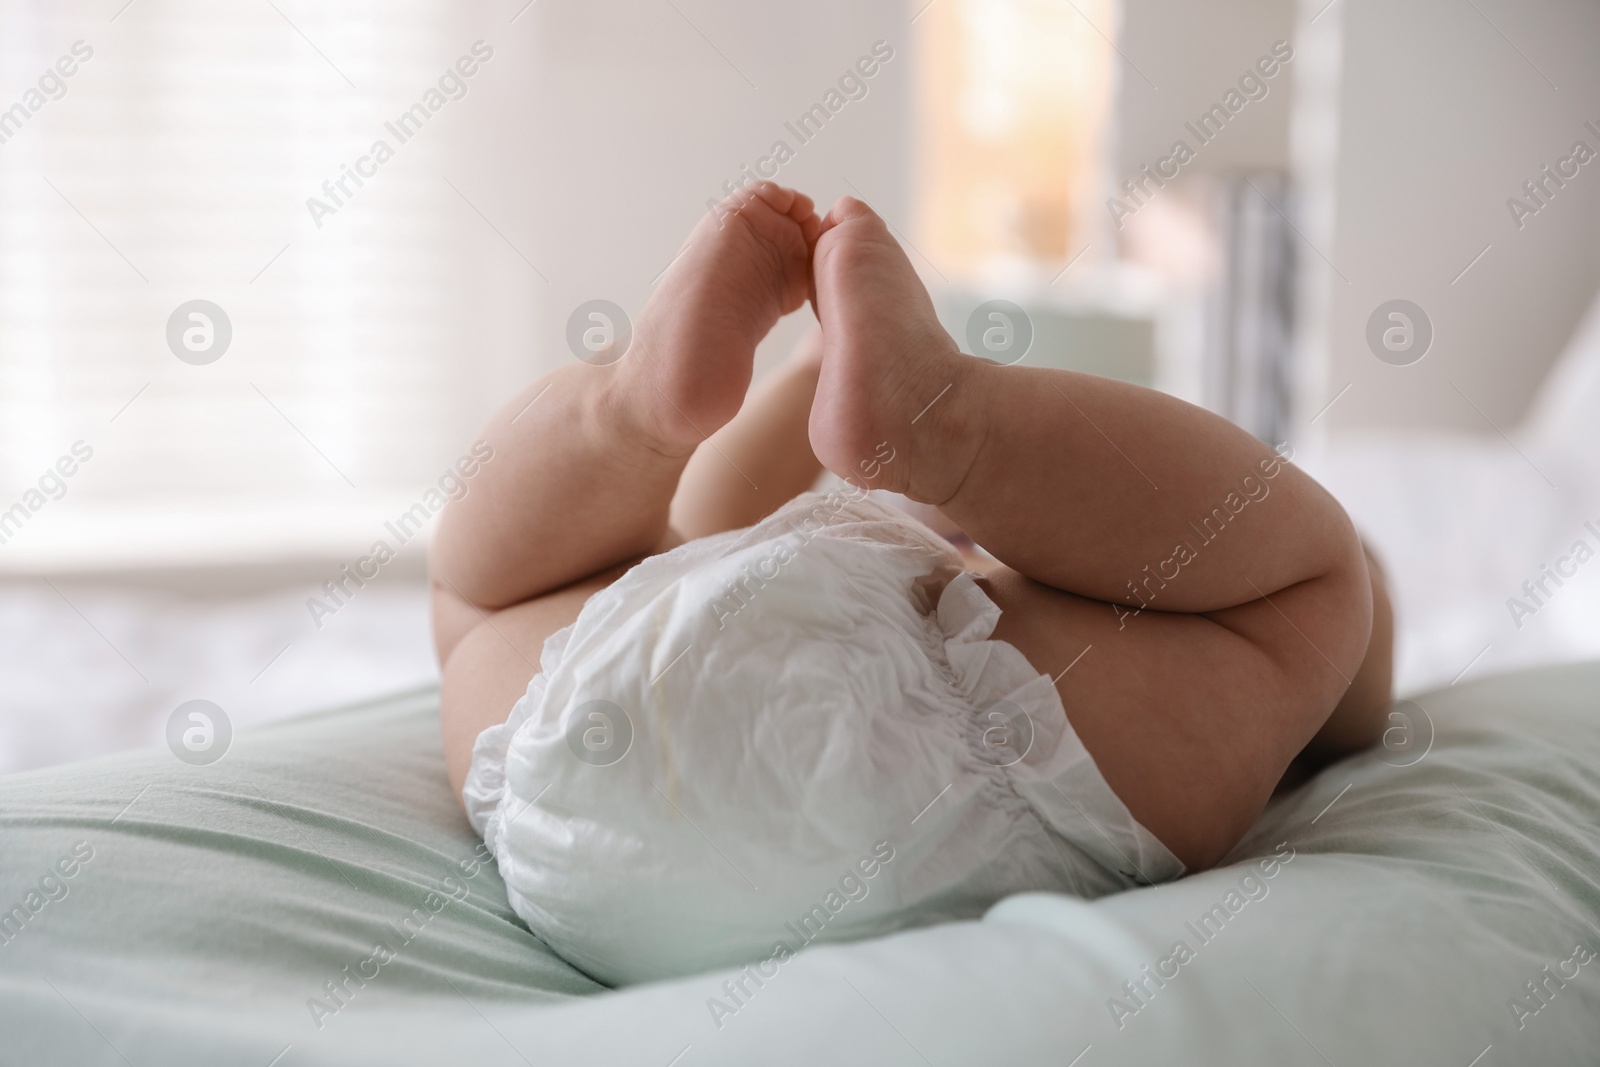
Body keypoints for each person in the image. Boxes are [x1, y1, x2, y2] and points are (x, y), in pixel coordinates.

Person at [429, 182, 1393, 984]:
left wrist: (810, 374)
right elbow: (1339, 684)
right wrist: (1353, 604)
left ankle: (633, 411)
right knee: (1310, 584)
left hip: (596, 820)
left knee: (482, 604)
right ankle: (947, 427)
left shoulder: (803, 565)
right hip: (989, 787)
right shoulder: (1010, 622)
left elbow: (702, 529)